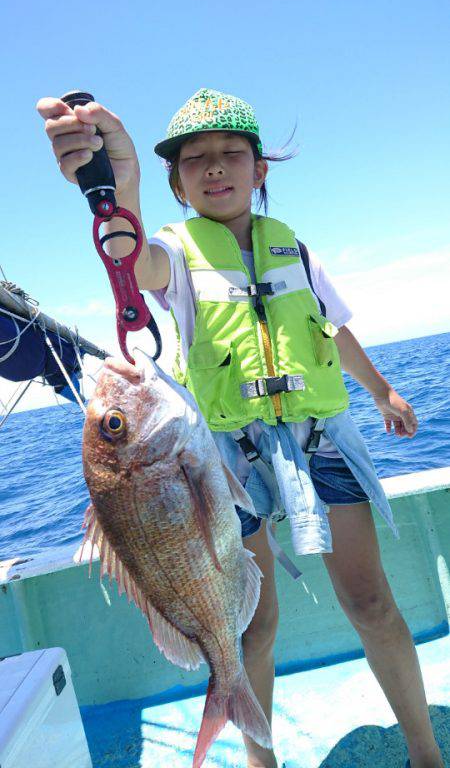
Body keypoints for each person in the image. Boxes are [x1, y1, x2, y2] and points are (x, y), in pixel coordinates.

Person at [37, 89, 443, 768]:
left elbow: (333, 330)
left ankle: (426, 752)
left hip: (321, 440)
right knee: (254, 626)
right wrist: (119, 178)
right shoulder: (171, 250)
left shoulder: (297, 251)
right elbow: (133, 261)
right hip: (229, 456)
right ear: (176, 182)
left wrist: (384, 391)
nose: (215, 167)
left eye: (232, 154)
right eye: (196, 159)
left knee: (371, 599)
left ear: (260, 171)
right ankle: (262, 762)